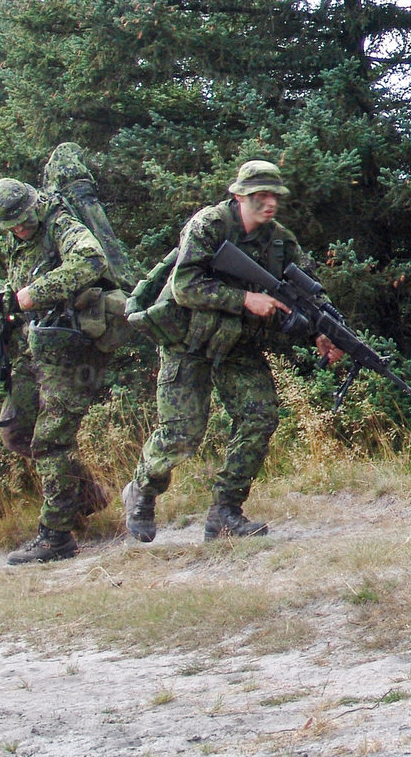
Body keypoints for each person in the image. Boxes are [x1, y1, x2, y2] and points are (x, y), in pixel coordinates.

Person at [121, 161, 340, 543]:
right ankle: (141, 492)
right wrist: (245, 299)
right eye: (260, 196)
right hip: (188, 343)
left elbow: (307, 294)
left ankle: (225, 513)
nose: (269, 203)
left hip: (237, 346)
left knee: (260, 416)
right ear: (238, 195)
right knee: (182, 434)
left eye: (274, 196)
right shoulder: (209, 225)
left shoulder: (280, 240)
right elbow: (184, 286)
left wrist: (322, 333)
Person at [0, 177, 111, 564]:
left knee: (51, 441)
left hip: (68, 348)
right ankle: (86, 498)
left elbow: (92, 261)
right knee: (15, 431)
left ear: (34, 205)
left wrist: (34, 294)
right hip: (32, 347)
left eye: (23, 221)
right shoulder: (18, 239)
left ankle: (56, 537)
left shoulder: (60, 224)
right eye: (11, 226)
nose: (20, 230)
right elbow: (15, 290)